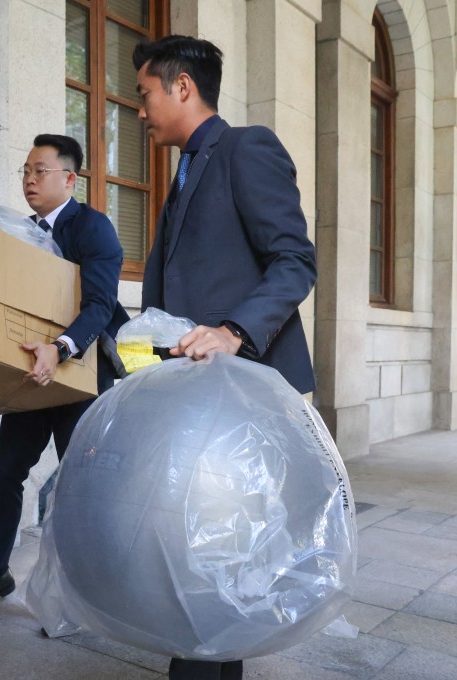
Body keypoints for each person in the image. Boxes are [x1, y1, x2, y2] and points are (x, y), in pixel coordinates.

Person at [133, 35, 317, 680]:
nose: (139, 110)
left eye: (144, 93)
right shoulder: (184, 171)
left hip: (243, 397)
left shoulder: (246, 148)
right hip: (196, 397)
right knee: (198, 554)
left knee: (221, 557)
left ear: (182, 87)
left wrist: (234, 331)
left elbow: (295, 260)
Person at [0, 134, 128, 618]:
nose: (29, 180)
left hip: (77, 378)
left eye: (40, 171)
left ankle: (85, 587)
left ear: (70, 178)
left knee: (81, 485)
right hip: (30, 378)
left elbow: (100, 306)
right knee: (6, 472)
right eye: (25, 172)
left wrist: (60, 348)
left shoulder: (93, 228)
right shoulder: (16, 233)